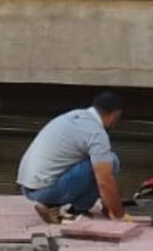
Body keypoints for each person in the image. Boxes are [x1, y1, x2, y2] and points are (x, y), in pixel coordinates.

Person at [16, 91, 128, 225]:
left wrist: (109, 201)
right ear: (115, 115)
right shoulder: (97, 133)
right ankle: (72, 209)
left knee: (97, 162)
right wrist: (119, 214)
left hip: (28, 188)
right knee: (111, 161)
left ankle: (57, 205)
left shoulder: (75, 116)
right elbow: (104, 180)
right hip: (45, 191)